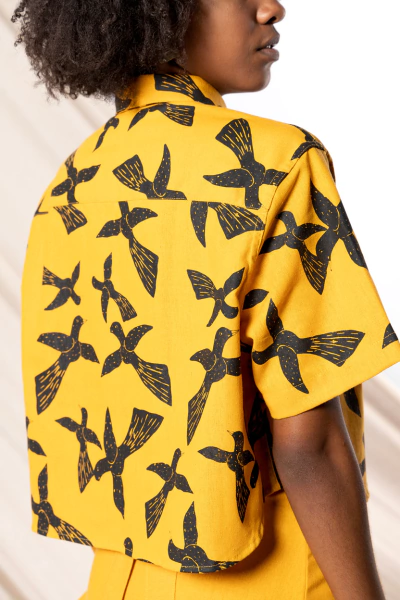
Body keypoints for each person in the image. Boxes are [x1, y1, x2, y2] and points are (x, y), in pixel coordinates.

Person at [13, 0, 400, 599]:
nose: (272, 9)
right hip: (269, 579)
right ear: (162, 11)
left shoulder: (72, 183)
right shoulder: (275, 163)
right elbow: (311, 445)